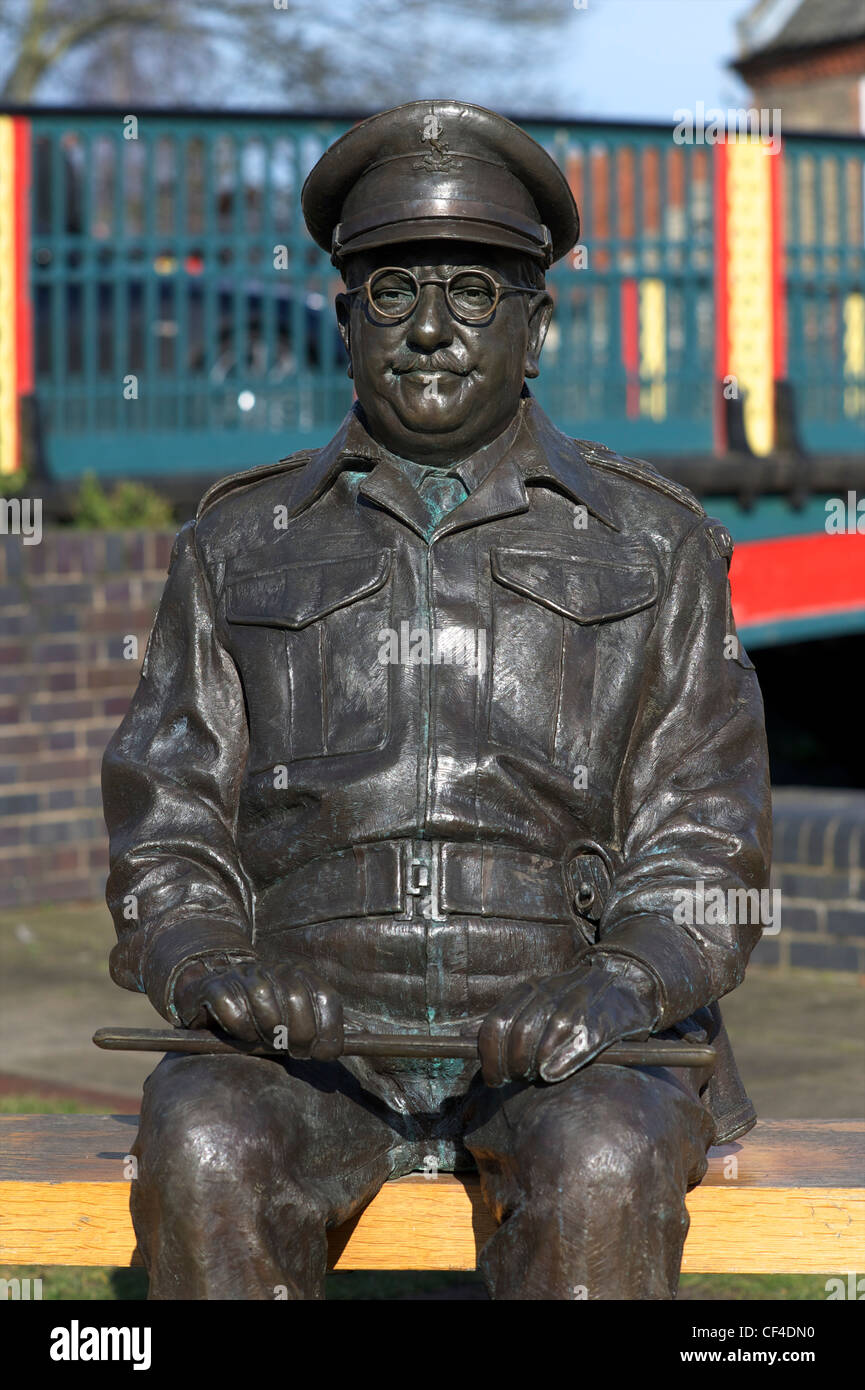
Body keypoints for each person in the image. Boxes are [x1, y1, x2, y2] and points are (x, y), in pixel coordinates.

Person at [102, 100, 771, 1300]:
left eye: (473, 293)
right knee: (204, 1144)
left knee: (602, 1159)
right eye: (392, 291)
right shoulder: (236, 540)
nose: (428, 330)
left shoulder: (656, 543)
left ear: (536, 326)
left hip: (575, 1035)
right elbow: (168, 817)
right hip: (302, 1038)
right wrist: (204, 958)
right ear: (343, 317)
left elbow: (706, 836)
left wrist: (622, 979)